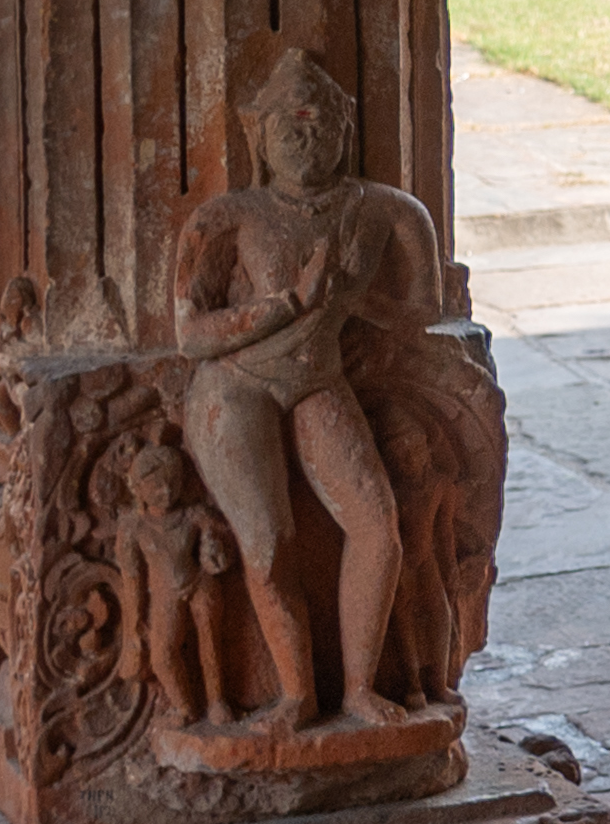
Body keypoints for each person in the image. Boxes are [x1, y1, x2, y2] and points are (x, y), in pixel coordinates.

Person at [167, 43, 447, 719]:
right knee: (267, 542)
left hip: (319, 379)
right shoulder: (227, 219)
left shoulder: (391, 211)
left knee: (379, 527)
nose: (306, 135)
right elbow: (190, 335)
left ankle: (358, 688)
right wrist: (289, 302)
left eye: (321, 120)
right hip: (236, 388)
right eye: (288, 125)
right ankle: (295, 692)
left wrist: (354, 298)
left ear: (348, 127)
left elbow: (427, 312)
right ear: (256, 137)